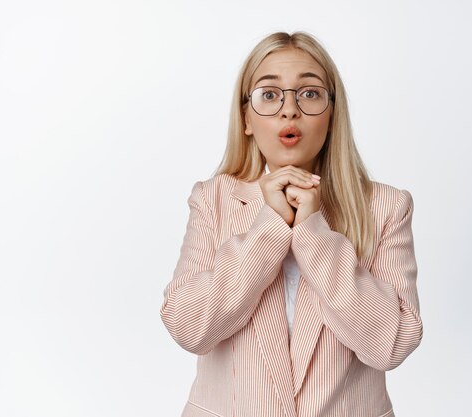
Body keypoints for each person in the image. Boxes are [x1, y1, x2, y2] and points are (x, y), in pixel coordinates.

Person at [161, 31, 422, 417]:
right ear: (246, 118)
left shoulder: (385, 206)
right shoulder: (213, 199)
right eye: (269, 95)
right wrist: (270, 228)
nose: (289, 110)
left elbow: (393, 343)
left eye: (309, 93)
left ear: (333, 116)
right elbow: (188, 326)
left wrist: (313, 234)